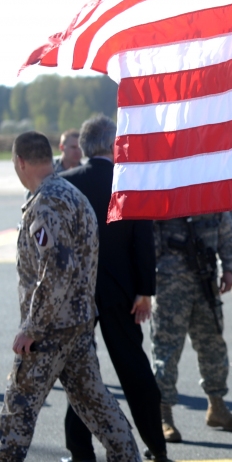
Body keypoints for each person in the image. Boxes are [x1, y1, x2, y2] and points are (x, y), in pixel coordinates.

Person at [1, 131, 140, 462]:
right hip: (78, 324)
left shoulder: (46, 203)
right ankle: (128, 456)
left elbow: (57, 271)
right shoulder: (72, 195)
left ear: (20, 162)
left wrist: (33, 326)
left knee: (16, 410)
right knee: (97, 405)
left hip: (50, 331)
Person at [60, 116, 166, 462]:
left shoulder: (64, 184)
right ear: (111, 145)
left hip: (77, 295)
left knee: (81, 373)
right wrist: (144, 290)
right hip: (121, 292)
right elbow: (142, 241)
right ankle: (156, 445)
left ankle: (80, 451)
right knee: (134, 367)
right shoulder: (127, 183)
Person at [152, 213, 232, 441]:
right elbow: (149, 240)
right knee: (167, 350)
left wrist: (229, 269)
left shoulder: (209, 191)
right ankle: (163, 415)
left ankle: (217, 406)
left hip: (205, 279)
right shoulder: (163, 191)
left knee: (213, 346)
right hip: (170, 284)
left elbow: (225, 229)